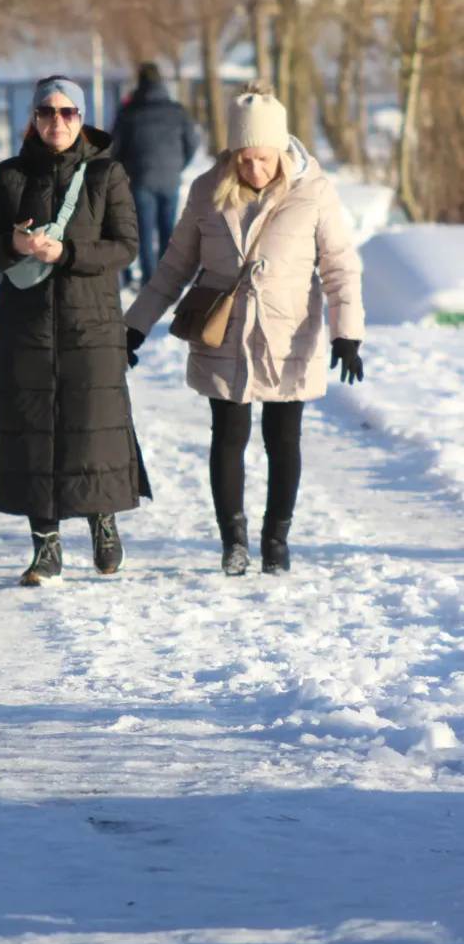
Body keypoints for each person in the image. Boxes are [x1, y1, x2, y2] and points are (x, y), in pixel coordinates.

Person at [124, 81, 364, 576]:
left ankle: (276, 539)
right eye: (245, 159)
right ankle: (232, 542)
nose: (254, 170)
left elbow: (340, 266)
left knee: (283, 438)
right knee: (228, 435)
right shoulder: (207, 191)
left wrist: (347, 333)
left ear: (281, 149)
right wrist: (135, 327)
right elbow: (173, 267)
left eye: (264, 159)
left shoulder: (313, 191)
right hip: (224, 329)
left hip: (288, 330)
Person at [0, 75, 151, 586]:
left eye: (68, 112)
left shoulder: (106, 175)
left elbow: (125, 246)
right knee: (32, 432)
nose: (57, 121)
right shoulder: (9, 176)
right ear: (33, 118)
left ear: (82, 118)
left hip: (90, 323)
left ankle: (103, 523)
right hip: (24, 328)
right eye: (47, 112)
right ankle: (45, 544)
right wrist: (13, 245)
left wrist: (65, 252)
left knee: (94, 426)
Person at [111, 62, 199, 284]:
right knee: (168, 229)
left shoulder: (129, 112)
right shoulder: (177, 111)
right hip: (170, 178)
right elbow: (192, 143)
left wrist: (127, 169)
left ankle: (150, 280)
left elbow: (115, 148)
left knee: (145, 232)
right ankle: (168, 278)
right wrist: (178, 165)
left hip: (141, 178)